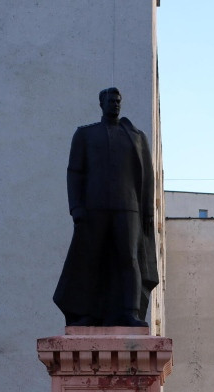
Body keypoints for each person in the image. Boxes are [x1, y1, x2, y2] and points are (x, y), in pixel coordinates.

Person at [53, 87, 157, 327]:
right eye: (111, 100)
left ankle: (130, 311)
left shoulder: (137, 136)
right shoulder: (85, 135)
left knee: (129, 259)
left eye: (118, 101)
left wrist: (148, 211)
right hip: (94, 207)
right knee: (90, 259)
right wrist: (76, 206)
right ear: (102, 103)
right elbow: (74, 172)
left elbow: (147, 177)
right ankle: (85, 312)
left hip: (128, 207)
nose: (115, 104)